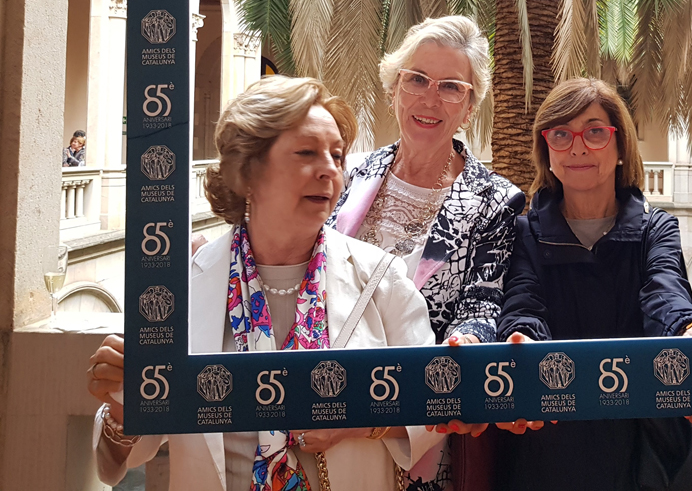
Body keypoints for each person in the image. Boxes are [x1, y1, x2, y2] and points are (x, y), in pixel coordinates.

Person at [87, 76, 444, 491]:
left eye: (337, 155)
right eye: (306, 153)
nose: (329, 170)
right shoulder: (181, 289)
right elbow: (120, 458)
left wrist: (359, 424)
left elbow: (433, 405)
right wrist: (122, 403)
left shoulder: (382, 279)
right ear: (248, 171)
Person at [326, 15, 525, 487]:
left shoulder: (496, 201)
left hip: (415, 431)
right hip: (320, 412)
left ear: (470, 106)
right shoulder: (348, 175)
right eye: (417, 79)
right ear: (394, 87)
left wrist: (468, 344)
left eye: (451, 87)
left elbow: (482, 305)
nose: (429, 99)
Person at [494, 77, 692, 491]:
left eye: (595, 132)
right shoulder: (525, 232)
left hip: (641, 447)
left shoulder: (655, 228)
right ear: (547, 150)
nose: (577, 148)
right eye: (561, 134)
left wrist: (688, 329)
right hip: (551, 445)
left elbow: (664, 292)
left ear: (620, 146)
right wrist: (521, 339)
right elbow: (523, 304)